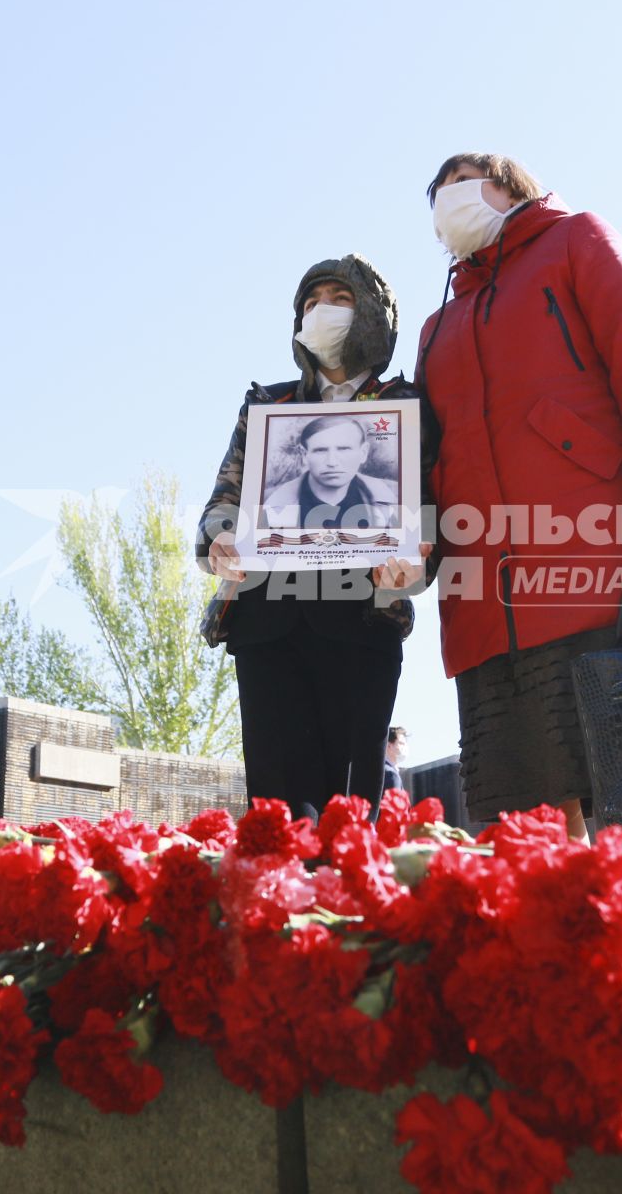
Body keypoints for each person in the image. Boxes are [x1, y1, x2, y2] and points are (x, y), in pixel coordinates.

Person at [415, 152, 622, 870]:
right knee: (529, 810)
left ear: (511, 186)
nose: (448, 202)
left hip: (601, 559)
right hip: (487, 594)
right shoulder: (436, 326)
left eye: (461, 185)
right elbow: (423, 449)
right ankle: (562, 962)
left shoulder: (581, 240)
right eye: (435, 196)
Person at [196, 255, 427, 820]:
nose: (321, 310)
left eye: (339, 298)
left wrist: (414, 567)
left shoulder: (409, 405)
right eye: (310, 301)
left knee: (350, 812)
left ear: (372, 312)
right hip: (266, 623)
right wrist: (220, 540)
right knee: (276, 812)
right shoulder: (266, 406)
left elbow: (427, 512)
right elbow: (223, 501)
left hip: (363, 620)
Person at [260, 414, 401, 529]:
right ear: (304, 455)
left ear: (363, 453)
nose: (332, 462)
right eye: (320, 450)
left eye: (344, 449)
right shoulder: (267, 502)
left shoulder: (396, 495)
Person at [381, 725, 409, 798]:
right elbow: (395, 806)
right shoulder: (391, 774)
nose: (406, 747)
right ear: (389, 746)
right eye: (401, 743)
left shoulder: (380, 770)